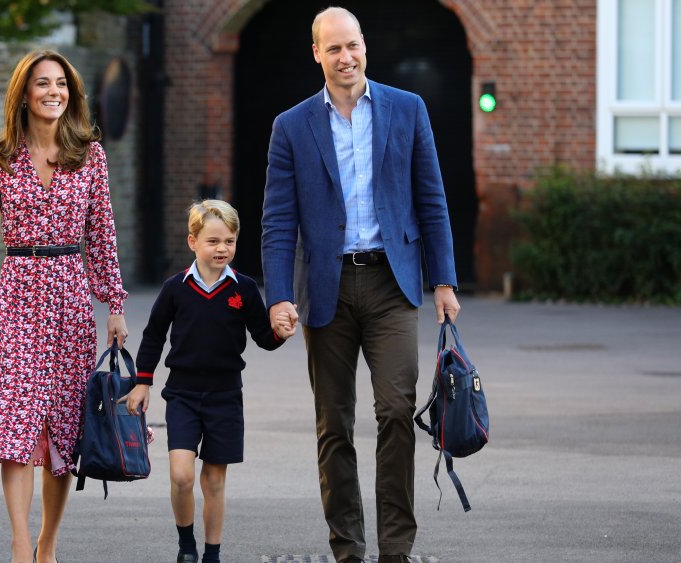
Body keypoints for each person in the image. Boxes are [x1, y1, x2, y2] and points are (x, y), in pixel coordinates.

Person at [260, 7, 462, 563]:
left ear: (365, 47)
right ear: (317, 54)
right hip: (325, 288)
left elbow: (432, 199)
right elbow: (278, 221)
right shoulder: (291, 126)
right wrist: (278, 294)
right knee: (334, 424)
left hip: (391, 283)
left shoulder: (407, 108)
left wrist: (442, 280)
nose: (345, 57)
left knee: (396, 410)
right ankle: (347, 547)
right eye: (334, 49)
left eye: (353, 46)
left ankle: (396, 548)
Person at [0, 49, 129, 563]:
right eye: (42, 83)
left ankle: (48, 544)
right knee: (14, 422)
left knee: (63, 431)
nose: (53, 92)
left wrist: (114, 302)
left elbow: (102, 235)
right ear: (24, 92)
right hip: (18, 295)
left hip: (69, 301)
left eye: (61, 83)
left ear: (72, 92)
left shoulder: (90, 155)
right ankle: (21, 544)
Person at [125, 200, 296, 563]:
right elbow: (154, 334)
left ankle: (212, 554)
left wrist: (281, 333)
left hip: (225, 397)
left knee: (215, 481)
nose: (222, 249)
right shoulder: (175, 288)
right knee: (182, 475)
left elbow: (263, 337)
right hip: (183, 395)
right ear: (193, 242)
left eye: (230, 241)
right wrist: (143, 382)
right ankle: (186, 545)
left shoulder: (245, 289)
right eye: (213, 241)